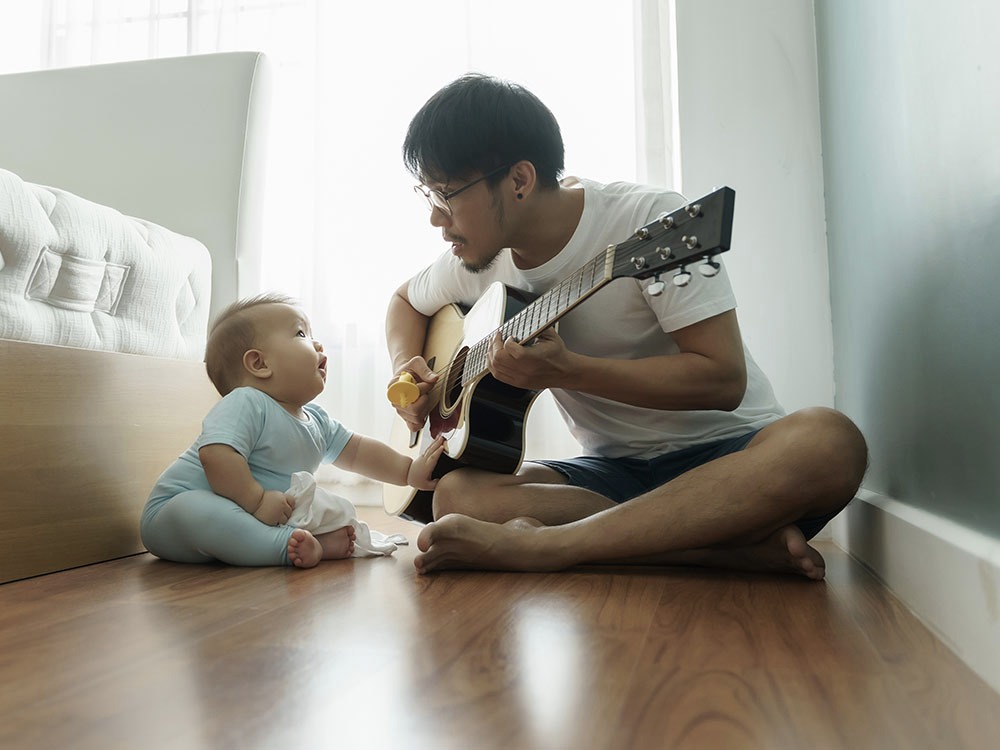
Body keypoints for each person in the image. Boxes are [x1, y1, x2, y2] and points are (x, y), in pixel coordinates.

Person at [384, 73, 868, 578]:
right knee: (459, 494)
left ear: (519, 181)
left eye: (446, 196)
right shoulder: (477, 261)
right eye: (429, 197)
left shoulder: (650, 222)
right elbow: (404, 301)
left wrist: (568, 371)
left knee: (830, 442)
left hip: (733, 461)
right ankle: (723, 549)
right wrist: (406, 377)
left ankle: (548, 548)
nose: (437, 221)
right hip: (612, 474)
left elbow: (724, 380)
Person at [141, 293, 445, 569]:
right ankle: (281, 547)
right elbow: (215, 455)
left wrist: (408, 473)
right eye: (301, 333)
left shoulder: (316, 419)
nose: (318, 344)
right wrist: (256, 500)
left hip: (245, 519)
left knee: (312, 513)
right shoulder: (247, 403)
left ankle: (306, 544)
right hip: (171, 516)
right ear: (259, 363)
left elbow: (358, 451)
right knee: (196, 510)